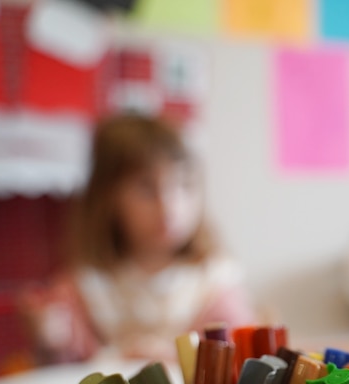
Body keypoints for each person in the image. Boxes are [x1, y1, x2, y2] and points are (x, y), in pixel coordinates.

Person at [20, 114, 256, 363]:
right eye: (146, 188)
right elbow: (64, 371)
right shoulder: (84, 285)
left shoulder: (213, 281)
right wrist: (50, 338)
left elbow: (237, 360)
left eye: (184, 185)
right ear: (107, 199)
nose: (169, 207)